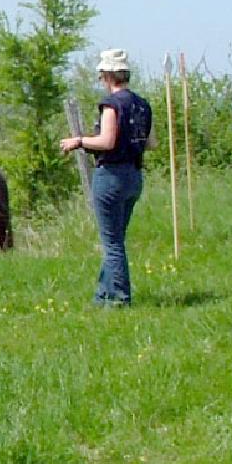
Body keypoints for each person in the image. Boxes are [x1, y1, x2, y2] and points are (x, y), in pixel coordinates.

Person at [60, 49, 154, 307]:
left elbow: (106, 140)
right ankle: (103, 295)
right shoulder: (142, 105)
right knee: (115, 241)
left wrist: (78, 141)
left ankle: (120, 299)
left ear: (108, 76)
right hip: (134, 175)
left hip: (111, 175)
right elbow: (151, 143)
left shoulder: (112, 105)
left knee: (112, 244)